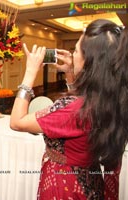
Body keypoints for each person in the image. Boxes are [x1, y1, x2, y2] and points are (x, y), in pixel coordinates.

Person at [10, 19, 128, 199]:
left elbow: (17, 122)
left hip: (64, 183)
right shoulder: (113, 98)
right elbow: (80, 105)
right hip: (89, 179)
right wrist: (70, 73)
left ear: (89, 60)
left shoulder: (73, 108)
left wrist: (29, 73)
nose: (73, 54)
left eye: (76, 49)